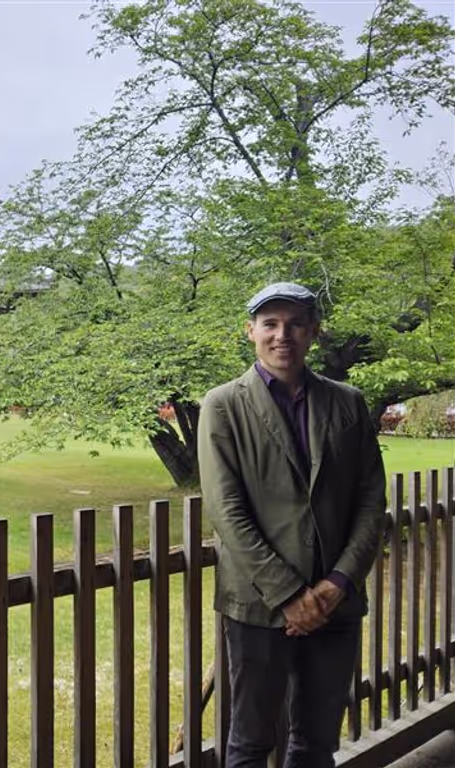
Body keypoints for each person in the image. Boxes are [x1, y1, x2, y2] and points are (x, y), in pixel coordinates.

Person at [197, 282, 386, 768]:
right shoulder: (223, 405)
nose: (283, 335)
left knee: (317, 744)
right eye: (271, 324)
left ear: (314, 332)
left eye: (296, 324)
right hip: (259, 605)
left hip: (335, 603)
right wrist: (288, 594)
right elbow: (226, 509)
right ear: (251, 331)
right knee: (249, 744)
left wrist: (338, 583)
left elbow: (370, 501)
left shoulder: (347, 403)